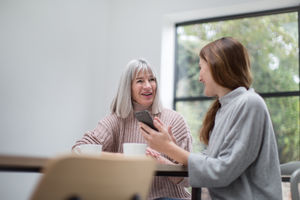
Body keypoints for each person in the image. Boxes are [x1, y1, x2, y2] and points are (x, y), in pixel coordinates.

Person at [140, 37, 282, 200]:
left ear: (217, 66)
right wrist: (169, 158)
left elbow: (222, 172)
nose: (199, 77)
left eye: (201, 68)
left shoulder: (250, 103)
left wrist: (169, 148)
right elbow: (209, 168)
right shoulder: (224, 108)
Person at [72, 59, 193, 200]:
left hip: (168, 197)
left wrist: (162, 161)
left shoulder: (174, 121)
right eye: (140, 81)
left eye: (152, 79)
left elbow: (190, 178)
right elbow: (78, 150)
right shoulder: (115, 121)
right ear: (128, 87)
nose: (148, 86)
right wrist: (122, 158)